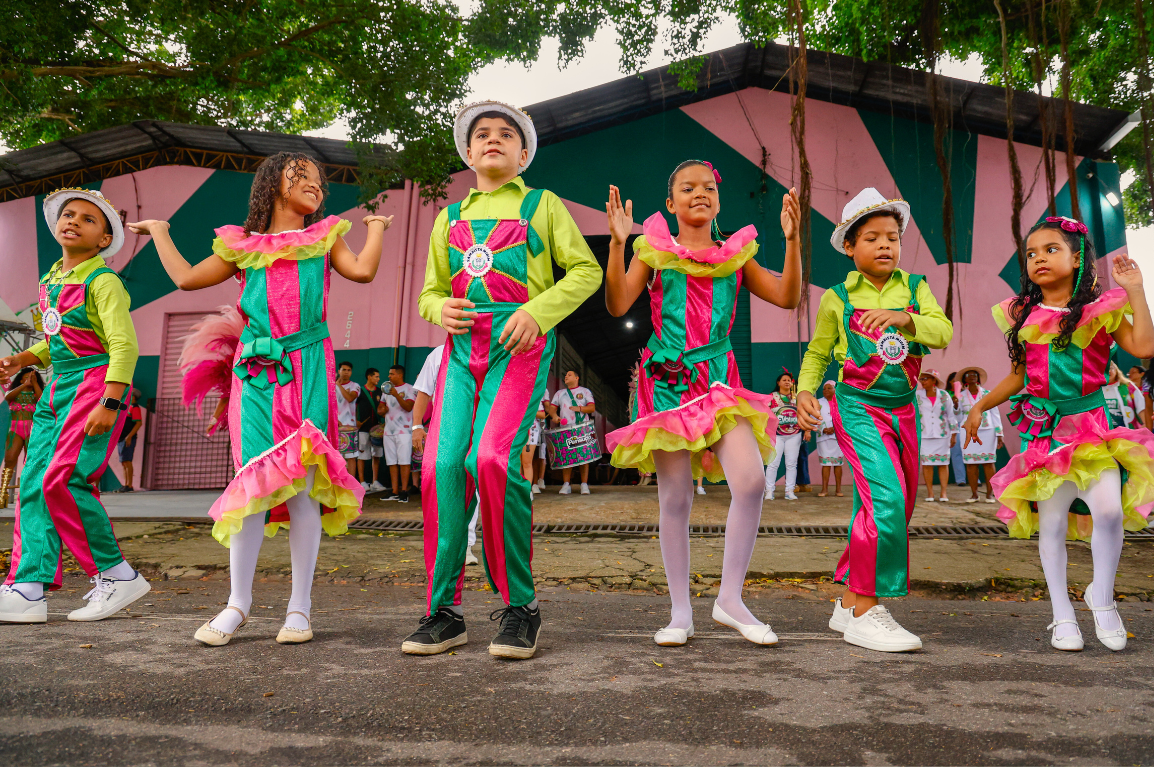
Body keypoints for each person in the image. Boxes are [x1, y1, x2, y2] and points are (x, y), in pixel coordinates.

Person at [128, 151, 390, 645]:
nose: (315, 184)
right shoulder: (240, 245)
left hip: (309, 365)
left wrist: (374, 226)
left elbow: (362, 272)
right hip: (255, 376)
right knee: (250, 484)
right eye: (303, 175)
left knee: (305, 488)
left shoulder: (325, 236)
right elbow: (185, 278)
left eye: (319, 180)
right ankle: (237, 604)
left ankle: (300, 608)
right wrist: (162, 231)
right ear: (272, 183)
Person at [403, 101, 601, 659]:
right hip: (460, 354)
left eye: (506, 134)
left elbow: (587, 270)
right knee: (441, 467)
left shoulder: (543, 205)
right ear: (468, 153)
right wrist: (439, 310)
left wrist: (537, 311)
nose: (493, 140)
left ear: (522, 153)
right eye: (482, 134)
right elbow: (428, 293)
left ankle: (521, 606)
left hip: (520, 349)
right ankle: (443, 612)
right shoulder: (448, 218)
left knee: (489, 460)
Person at [605, 163, 802, 647]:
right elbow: (616, 303)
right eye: (687, 188)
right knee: (675, 497)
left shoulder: (736, 255)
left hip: (719, 382)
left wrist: (793, 242)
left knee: (753, 481)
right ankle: (679, 613)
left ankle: (730, 600)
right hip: (668, 381)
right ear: (670, 203)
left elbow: (787, 296)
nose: (700, 193)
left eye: (709, 187)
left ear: (718, 201)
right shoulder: (653, 251)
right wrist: (616, 244)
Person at [963, 215, 1154, 652]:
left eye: (1051, 249)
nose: (1039, 259)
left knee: (1107, 511)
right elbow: (1018, 377)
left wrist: (1137, 291)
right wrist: (979, 405)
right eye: (1031, 253)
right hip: (1047, 436)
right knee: (1051, 523)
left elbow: (1144, 347)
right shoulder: (1021, 313)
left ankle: (1101, 600)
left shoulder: (1101, 309)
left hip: (1093, 428)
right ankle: (1062, 616)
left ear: (1076, 257)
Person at [796, 187, 953, 653]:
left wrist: (904, 319)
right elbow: (819, 351)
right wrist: (805, 390)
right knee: (884, 499)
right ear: (850, 246)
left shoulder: (916, 287)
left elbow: (941, 332)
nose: (885, 245)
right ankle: (866, 610)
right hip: (857, 406)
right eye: (872, 238)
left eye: (892, 237)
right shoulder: (836, 297)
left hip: (904, 407)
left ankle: (845, 602)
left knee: (896, 507)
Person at [0, 188, 150, 624]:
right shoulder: (50, 281)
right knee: (32, 482)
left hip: (94, 384)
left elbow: (123, 345)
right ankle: (27, 587)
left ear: (104, 240)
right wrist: (22, 360)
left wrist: (110, 401)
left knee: (62, 480)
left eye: (88, 220)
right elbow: (55, 341)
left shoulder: (103, 281)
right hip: (57, 386)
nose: (74, 221)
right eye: (69, 215)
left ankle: (116, 573)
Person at [955, 366, 1004, 503]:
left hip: (988, 431)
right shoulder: (960, 397)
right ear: (964, 379)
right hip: (968, 432)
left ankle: (990, 494)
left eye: (975, 374)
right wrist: (956, 407)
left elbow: (995, 414)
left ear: (978, 378)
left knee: (988, 462)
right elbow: (958, 418)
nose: (972, 376)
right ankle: (974, 494)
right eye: (969, 374)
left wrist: (999, 433)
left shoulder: (988, 394)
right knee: (970, 464)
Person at [0, 367, 43, 507]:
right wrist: (24, 385)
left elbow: (42, 400)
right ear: (20, 379)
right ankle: (3, 494)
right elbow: (7, 397)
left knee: (32, 461)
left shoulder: (37, 393)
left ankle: (31, 495)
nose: (29, 380)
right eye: (25, 377)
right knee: (10, 459)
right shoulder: (14, 393)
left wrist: (35, 383)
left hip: (32, 430)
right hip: (15, 431)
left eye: (32, 377)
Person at [550, 370, 598, 494]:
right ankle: (566, 484)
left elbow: (592, 408)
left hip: (582, 428)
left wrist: (580, 408)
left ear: (577, 378)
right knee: (567, 457)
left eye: (569, 375)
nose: (566, 376)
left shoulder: (585, 391)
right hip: (565, 429)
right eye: (565, 375)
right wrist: (554, 416)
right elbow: (552, 408)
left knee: (584, 457)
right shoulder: (560, 393)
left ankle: (584, 484)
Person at [917, 369, 956, 502]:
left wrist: (954, 434)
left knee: (943, 463)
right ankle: (930, 493)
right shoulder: (917, 395)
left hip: (942, 434)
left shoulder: (944, 395)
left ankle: (943, 493)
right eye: (921, 379)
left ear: (934, 381)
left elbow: (951, 415)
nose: (923, 382)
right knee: (927, 464)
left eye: (926, 379)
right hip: (925, 435)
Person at [763, 371, 802, 501]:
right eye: (784, 380)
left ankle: (789, 491)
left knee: (791, 464)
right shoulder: (771, 397)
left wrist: (807, 431)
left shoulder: (797, 397)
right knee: (773, 463)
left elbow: (804, 414)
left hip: (794, 434)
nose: (787, 382)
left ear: (792, 383)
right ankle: (769, 491)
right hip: (776, 435)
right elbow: (764, 414)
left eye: (789, 380)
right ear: (778, 383)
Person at [379, 364, 415, 502]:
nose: (389, 376)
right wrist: (382, 410)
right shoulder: (386, 390)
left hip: (404, 430)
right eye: (389, 374)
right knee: (391, 462)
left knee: (404, 461)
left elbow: (408, 407)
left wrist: (396, 395)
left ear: (400, 375)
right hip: (389, 431)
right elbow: (380, 408)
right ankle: (394, 491)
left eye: (392, 374)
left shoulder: (409, 389)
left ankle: (404, 491)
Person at [356, 367, 386, 493]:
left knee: (377, 455)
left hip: (377, 429)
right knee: (362, 455)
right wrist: (356, 421)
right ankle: (362, 482)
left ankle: (375, 482)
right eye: (376, 377)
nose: (378, 379)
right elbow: (353, 407)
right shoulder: (360, 392)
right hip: (363, 428)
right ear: (369, 377)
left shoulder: (380, 392)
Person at [816, 381, 845, 498]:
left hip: (838, 438)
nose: (826, 390)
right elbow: (813, 417)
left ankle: (838, 489)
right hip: (823, 437)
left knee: (838, 463)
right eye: (824, 389)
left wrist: (835, 428)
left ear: (835, 389)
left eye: (829, 388)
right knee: (826, 463)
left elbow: (845, 418)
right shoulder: (818, 403)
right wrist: (823, 429)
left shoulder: (842, 403)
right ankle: (824, 489)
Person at [115, 389, 144, 492]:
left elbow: (138, 423)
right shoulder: (126, 408)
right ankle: (125, 484)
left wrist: (129, 436)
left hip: (127, 439)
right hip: (121, 438)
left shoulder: (135, 408)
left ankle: (129, 485)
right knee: (123, 462)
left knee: (127, 461)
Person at [1104, 363, 1140, 429]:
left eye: (1110, 368)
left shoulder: (1128, 386)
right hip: (1103, 432)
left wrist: (1146, 425)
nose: (1108, 371)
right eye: (1104, 369)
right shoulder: (1095, 389)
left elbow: (1141, 408)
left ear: (1116, 370)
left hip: (1127, 431)